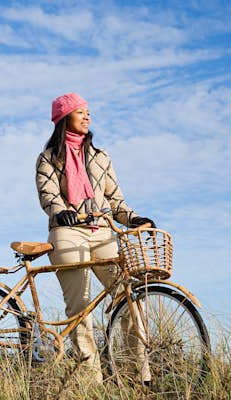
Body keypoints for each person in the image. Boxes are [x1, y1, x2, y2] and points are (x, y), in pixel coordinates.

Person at [35, 93, 155, 384]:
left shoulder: (101, 157)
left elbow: (115, 200)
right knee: (81, 308)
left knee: (128, 298)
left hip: (101, 232)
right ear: (65, 118)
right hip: (67, 233)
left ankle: (138, 376)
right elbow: (48, 194)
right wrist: (61, 211)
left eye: (89, 112)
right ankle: (91, 383)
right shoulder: (48, 158)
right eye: (80, 112)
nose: (88, 116)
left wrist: (133, 218)